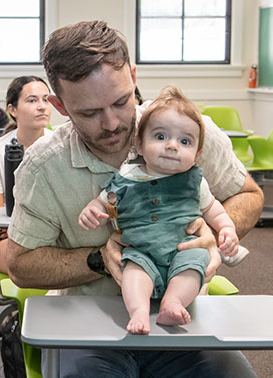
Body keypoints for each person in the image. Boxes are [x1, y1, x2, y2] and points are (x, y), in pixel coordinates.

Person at [6, 21, 273, 378]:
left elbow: (248, 195)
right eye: (89, 112)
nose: (112, 124)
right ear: (57, 106)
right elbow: (20, 264)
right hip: (90, 329)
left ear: (134, 75)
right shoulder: (44, 166)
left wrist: (215, 234)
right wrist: (98, 258)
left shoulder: (185, 129)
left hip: (178, 324)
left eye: (121, 101)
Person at [78, 85, 241, 334]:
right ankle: (139, 312)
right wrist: (92, 210)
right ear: (140, 145)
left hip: (182, 249)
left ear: (197, 155)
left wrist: (226, 228)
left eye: (184, 141)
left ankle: (173, 304)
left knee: (195, 264)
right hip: (141, 251)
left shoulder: (195, 181)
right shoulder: (126, 177)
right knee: (132, 271)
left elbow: (213, 210)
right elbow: (103, 202)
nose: (172, 146)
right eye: (161, 136)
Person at [0, 76, 52, 275]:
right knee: (46, 266)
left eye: (46, 99)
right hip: (9, 240)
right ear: (12, 109)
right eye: (32, 100)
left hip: (53, 234)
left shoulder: (62, 145)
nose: (42, 106)